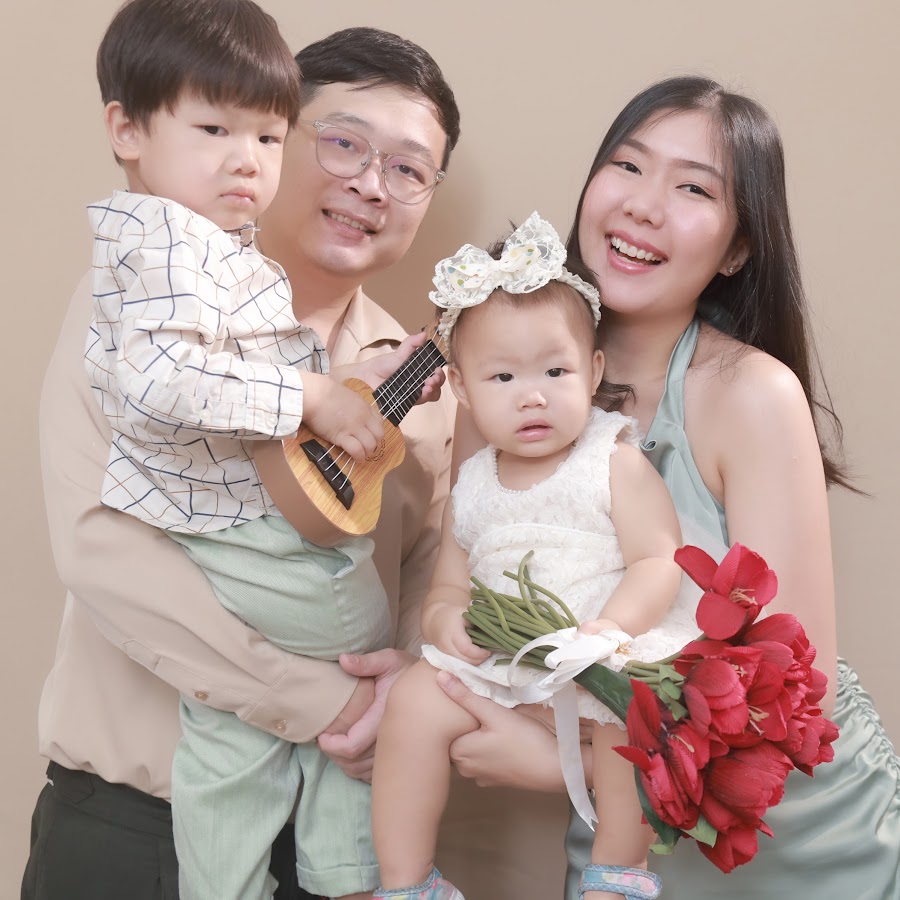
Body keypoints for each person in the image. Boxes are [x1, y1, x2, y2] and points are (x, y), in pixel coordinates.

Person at [23, 23, 460, 900]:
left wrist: (405, 694)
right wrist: (332, 706)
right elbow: (100, 551)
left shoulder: (421, 382)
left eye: (409, 169)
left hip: (333, 849)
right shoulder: (141, 304)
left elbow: (428, 569)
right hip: (128, 835)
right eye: (342, 143)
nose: (371, 184)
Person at [441, 76, 900, 899]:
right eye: (627, 165)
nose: (643, 206)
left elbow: (804, 692)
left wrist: (567, 764)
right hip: (624, 839)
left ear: (736, 249)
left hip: (795, 834)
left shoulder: (750, 395)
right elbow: (466, 592)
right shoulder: (505, 388)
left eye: (694, 188)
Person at [371, 213, 699, 900]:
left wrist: (611, 631)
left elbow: (659, 560)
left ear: (594, 370)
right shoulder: (475, 483)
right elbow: (448, 586)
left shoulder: (610, 460)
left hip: (596, 652)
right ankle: (407, 881)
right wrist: (444, 623)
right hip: (509, 661)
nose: (534, 394)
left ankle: (616, 873)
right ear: (462, 389)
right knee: (413, 702)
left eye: (556, 369)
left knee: (632, 723)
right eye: (502, 377)